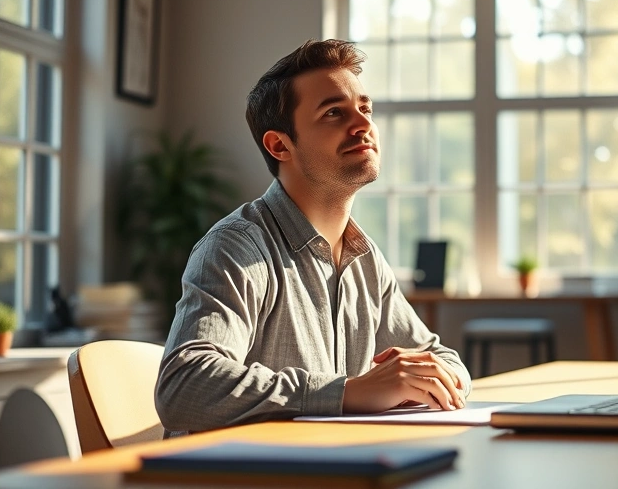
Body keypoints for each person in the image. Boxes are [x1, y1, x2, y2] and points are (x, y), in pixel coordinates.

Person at [155, 39, 471, 436]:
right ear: (280, 145)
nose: (363, 125)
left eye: (365, 109)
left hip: (331, 467)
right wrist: (349, 392)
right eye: (334, 113)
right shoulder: (236, 247)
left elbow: (440, 357)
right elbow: (184, 387)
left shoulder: (365, 258)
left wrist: (436, 376)